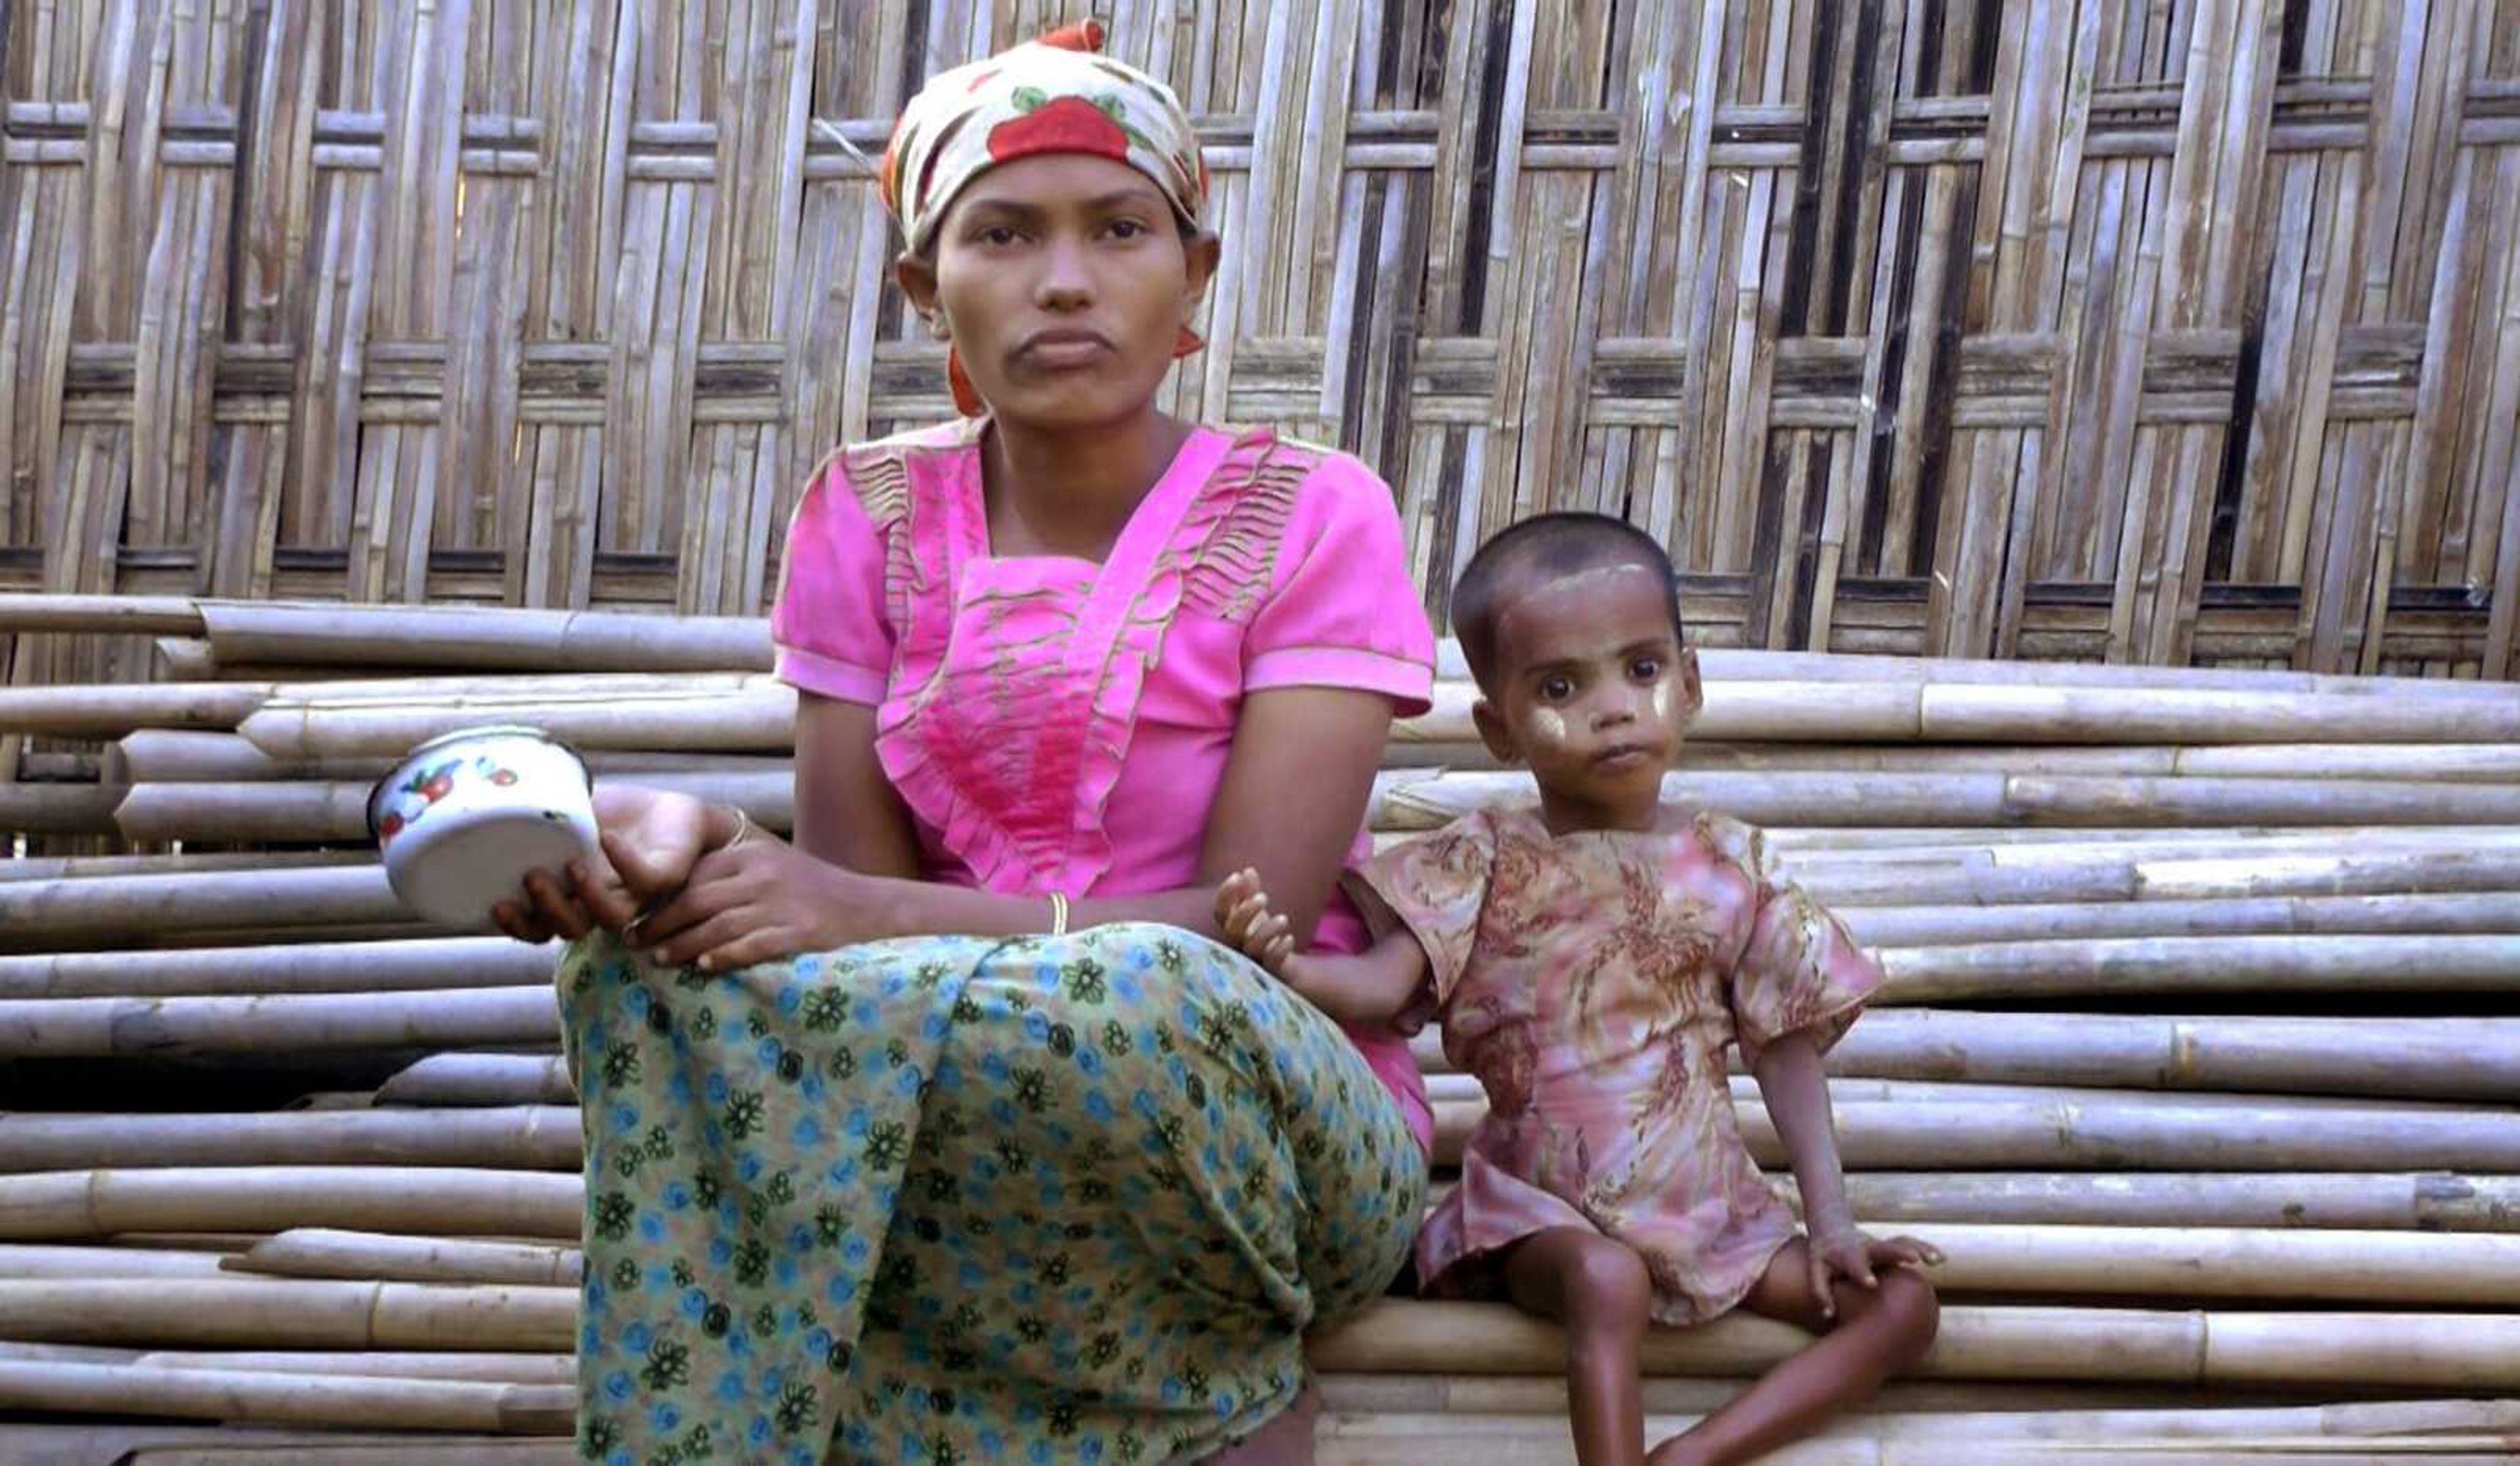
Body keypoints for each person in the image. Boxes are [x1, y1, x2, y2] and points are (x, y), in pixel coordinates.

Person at [495, 23, 1437, 1465]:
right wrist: (683, 853)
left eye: (1120, 228)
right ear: (927, 288)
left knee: (1133, 993)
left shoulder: (1314, 515)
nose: (1064, 280)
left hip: (1266, 1125)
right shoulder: (861, 511)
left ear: (1193, 275)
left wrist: (856, 907)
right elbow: (839, 967)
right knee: (640, 966)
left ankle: (1204, 1384)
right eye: (1002, 233)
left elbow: (1254, 943)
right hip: (957, 1109)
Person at [1214, 513, 1943, 1466]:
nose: (1612, 706)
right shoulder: (1479, 858)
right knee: (1608, 1281)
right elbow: (1383, 981)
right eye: (1561, 686)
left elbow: (1787, 1048)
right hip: (1542, 1208)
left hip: (1711, 1208)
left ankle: (1691, 1456)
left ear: (1690, 683)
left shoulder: (1733, 866)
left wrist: (1833, 1220)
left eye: (1641, 671)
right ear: (1500, 728)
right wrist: (1290, 968)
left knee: (1904, 1305)